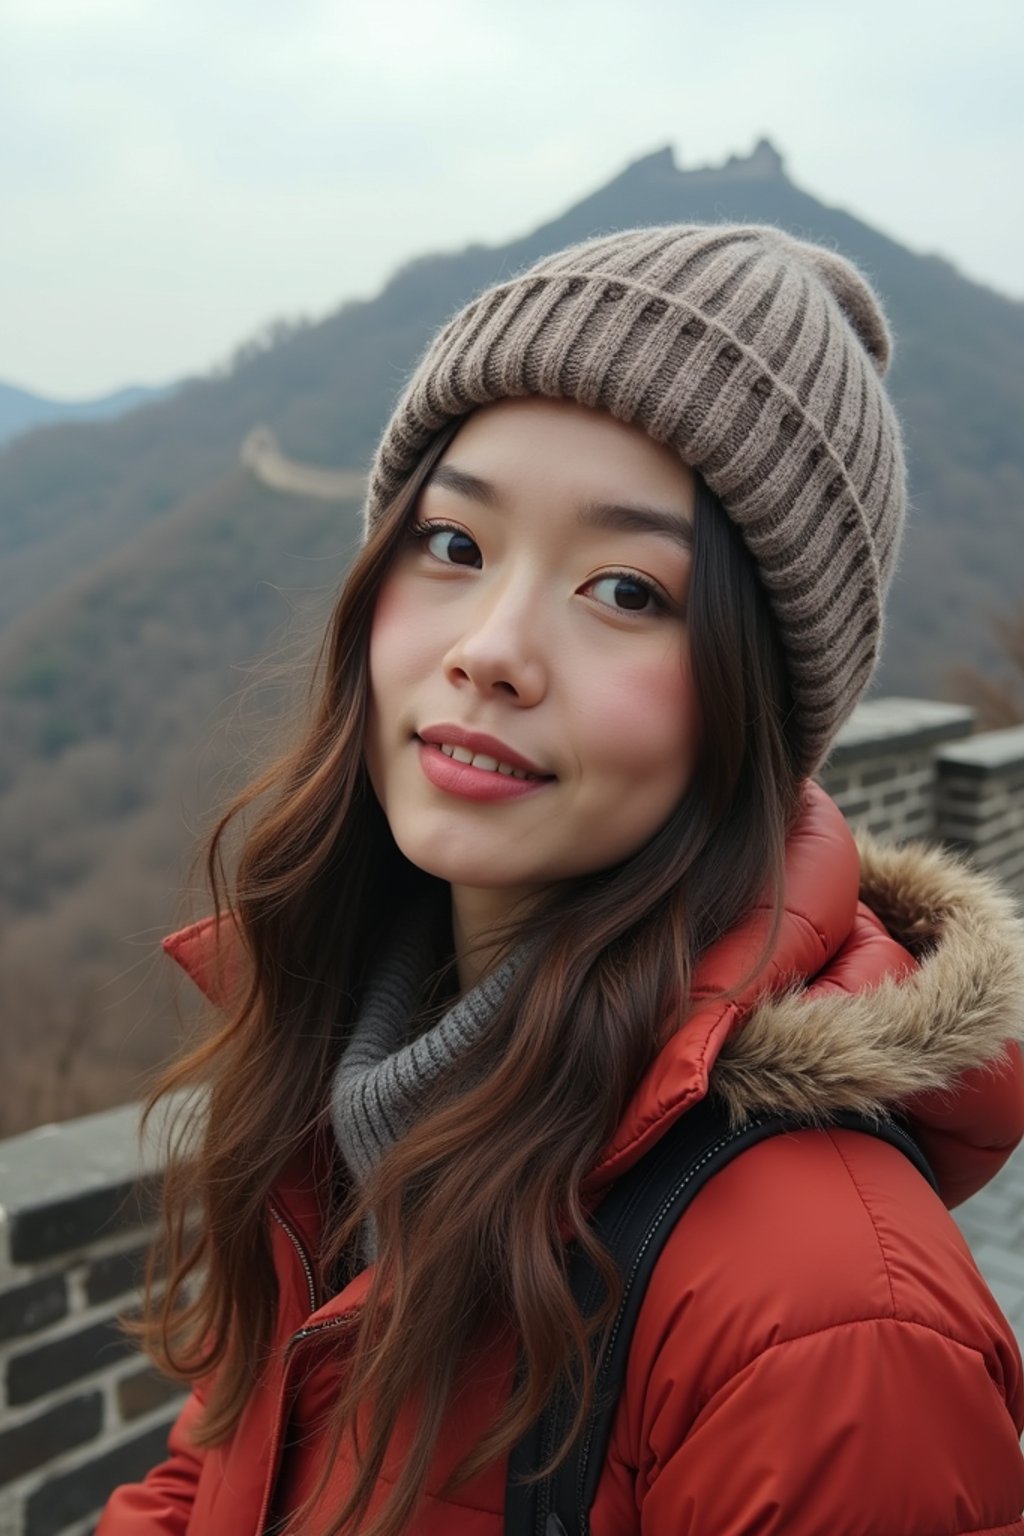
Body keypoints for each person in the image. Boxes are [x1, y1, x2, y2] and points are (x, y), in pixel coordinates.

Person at [99, 224, 1024, 1536]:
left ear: (757, 704)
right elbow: (210, 1476)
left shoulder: (825, 1320)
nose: (490, 650)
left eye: (625, 590)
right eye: (456, 546)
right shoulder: (362, 1072)